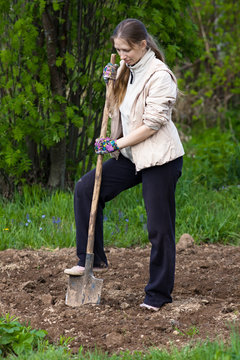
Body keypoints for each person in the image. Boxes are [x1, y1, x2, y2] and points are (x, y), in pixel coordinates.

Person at [64, 18, 184, 311]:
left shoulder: (160, 76)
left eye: (126, 50)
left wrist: (115, 145)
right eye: (117, 50)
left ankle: (158, 295)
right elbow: (116, 107)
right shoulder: (124, 70)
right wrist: (111, 81)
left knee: (159, 228)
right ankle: (91, 259)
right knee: (85, 188)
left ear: (143, 45)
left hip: (159, 158)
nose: (122, 56)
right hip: (131, 156)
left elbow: (154, 124)